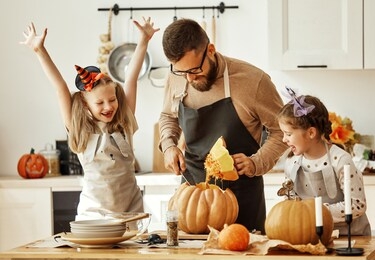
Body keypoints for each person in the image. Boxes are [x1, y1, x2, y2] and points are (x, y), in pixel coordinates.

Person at [21, 18, 159, 220]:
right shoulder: (79, 128)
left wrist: (144, 41)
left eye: (112, 99)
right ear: (86, 104)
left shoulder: (124, 123)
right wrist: (39, 50)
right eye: (100, 103)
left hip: (131, 213)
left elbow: (131, 79)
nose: (108, 106)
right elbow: (60, 86)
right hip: (93, 216)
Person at [158, 18, 288, 233]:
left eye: (194, 70)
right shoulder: (176, 76)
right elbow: (168, 116)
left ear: (210, 50)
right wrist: (169, 144)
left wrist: (257, 162)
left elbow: (281, 131)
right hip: (192, 195)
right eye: (182, 72)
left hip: (241, 196)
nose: (189, 79)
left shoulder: (253, 81)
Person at [278, 87, 371, 235]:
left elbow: (357, 205)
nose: (284, 139)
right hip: (314, 237)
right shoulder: (292, 163)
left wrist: (317, 212)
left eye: (288, 134)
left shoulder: (341, 160)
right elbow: (292, 204)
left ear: (311, 133)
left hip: (351, 236)